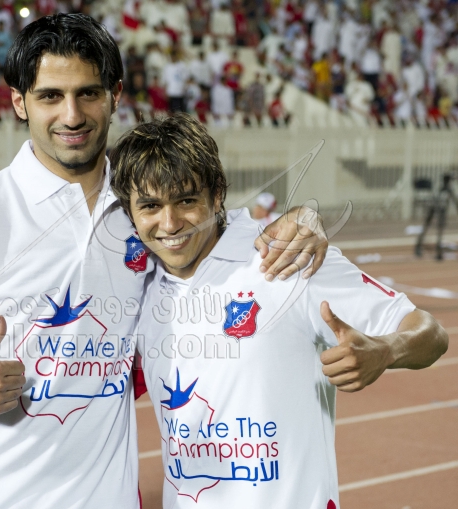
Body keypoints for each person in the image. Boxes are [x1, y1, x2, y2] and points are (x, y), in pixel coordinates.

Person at [0, 14, 328, 509]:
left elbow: (223, 231)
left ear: (115, 95)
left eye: (88, 93)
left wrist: (303, 217)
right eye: (50, 96)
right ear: (19, 102)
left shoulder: (145, 211)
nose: (72, 116)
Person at [108, 113, 448, 509]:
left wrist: (387, 350)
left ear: (216, 195)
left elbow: (430, 332)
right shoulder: (137, 288)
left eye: (186, 200)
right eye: (150, 206)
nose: (170, 223)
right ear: (130, 212)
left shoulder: (288, 257)